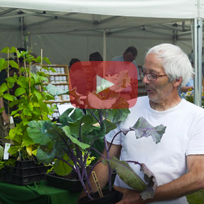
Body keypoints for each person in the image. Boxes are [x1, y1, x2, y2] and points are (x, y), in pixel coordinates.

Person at [78, 43, 204, 204]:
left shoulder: (196, 117)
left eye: (153, 75)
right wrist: (84, 198)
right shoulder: (127, 107)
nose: (144, 80)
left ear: (176, 80)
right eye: (144, 72)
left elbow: (198, 177)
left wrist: (143, 196)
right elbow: (106, 162)